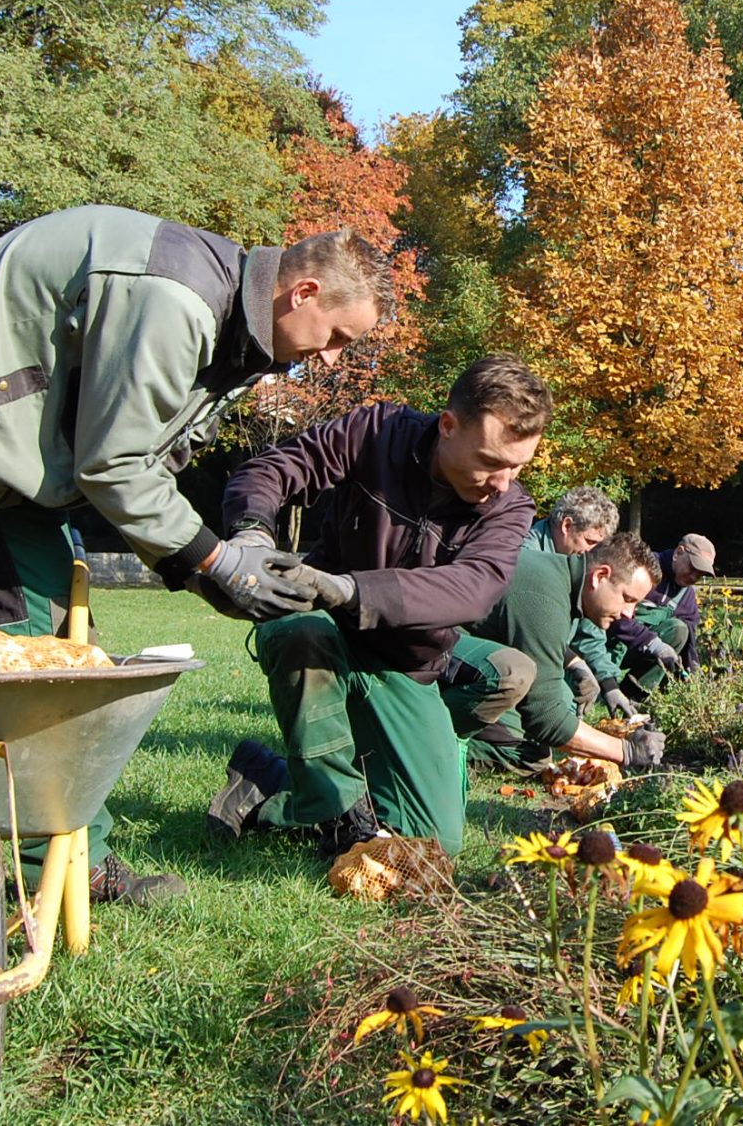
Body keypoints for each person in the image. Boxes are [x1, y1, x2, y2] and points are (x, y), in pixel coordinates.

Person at [0, 206, 387, 945]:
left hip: (18, 472)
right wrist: (218, 560)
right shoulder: (174, 299)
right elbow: (113, 465)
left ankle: (72, 858)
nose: (331, 359)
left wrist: (215, 573)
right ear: (301, 293)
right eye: (337, 338)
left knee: (59, 660)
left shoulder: (241, 339)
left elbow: (152, 454)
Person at [204, 354, 551, 859]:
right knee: (297, 632)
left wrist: (349, 589)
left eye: (518, 465)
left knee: (434, 842)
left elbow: (473, 587)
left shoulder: (509, 508)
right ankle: (340, 819)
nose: (503, 481)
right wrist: (253, 533)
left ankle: (271, 785)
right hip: (323, 630)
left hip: (407, 664)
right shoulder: (376, 432)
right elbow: (274, 469)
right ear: (448, 426)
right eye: (492, 462)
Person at [444, 532, 668, 773]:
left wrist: (575, 662)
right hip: (428, 655)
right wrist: (627, 751)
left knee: (533, 755)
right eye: (627, 598)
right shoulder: (544, 599)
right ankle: (430, 738)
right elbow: (545, 717)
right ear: (600, 576)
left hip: (462, 657)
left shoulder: (559, 580)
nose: (629, 613)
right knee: (514, 674)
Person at [524, 487, 638, 719]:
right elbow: (531, 632)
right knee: (562, 705)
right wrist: (576, 664)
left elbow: (590, 631)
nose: (593, 552)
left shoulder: (580, 563)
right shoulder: (525, 557)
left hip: (553, 656)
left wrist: (609, 685)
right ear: (566, 526)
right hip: (517, 663)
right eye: (590, 541)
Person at [607, 533, 715, 693]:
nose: (694, 577)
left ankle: (633, 695)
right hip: (606, 642)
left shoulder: (686, 596)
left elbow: (689, 647)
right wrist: (654, 645)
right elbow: (611, 610)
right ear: (679, 553)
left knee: (679, 630)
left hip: (639, 649)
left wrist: (694, 683)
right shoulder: (642, 570)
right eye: (693, 568)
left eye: (700, 574)